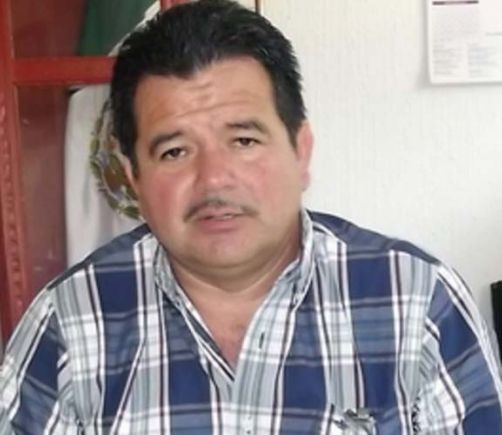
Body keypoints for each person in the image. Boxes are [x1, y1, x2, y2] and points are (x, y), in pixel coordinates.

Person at [1, 0, 501, 433]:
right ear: (133, 177)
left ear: (300, 150)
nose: (214, 179)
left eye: (243, 140)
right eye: (175, 151)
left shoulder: (416, 301)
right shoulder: (69, 322)